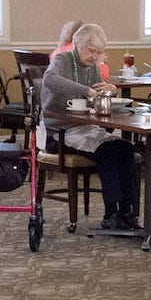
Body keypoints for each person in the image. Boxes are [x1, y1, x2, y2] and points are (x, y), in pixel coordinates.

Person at [42, 24, 142, 231]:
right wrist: (86, 91)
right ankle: (111, 213)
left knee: (125, 148)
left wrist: (110, 90)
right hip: (59, 132)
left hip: (86, 128)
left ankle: (128, 211)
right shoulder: (63, 60)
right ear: (77, 44)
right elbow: (49, 80)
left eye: (98, 52)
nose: (94, 57)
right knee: (109, 151)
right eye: (90, 51)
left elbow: (98, 99)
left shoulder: (94, 67)